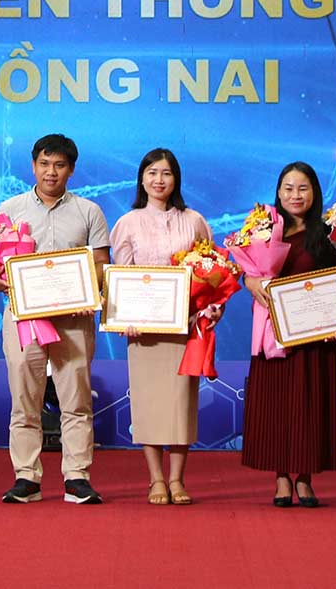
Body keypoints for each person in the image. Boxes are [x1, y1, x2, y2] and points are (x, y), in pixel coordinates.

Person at [0, 132, 111, 505]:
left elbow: (101, 264)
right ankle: (26, 477)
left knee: (76, 400)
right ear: (33, 166)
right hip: (24, 319)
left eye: (59, 165)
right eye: (44, 164)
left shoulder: (89, 211)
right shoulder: (10, 209)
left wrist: (89, 291)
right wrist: (4, 282)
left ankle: (77, 477)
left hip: (73, 319)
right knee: (24, 399)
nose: (51, 172)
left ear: (71, 169)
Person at [106, 147, 212, 505]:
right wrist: (125, 318)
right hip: (144, 333)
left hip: (184, 328)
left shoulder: (194, 220)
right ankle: (155, 479)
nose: (159, 180)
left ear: (176, 179)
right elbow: (120, 277)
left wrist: (208, 310)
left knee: (181, 404)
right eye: (152, 173)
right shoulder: (127, 223)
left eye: (166, 173)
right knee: (149, 403)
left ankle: (178, 479)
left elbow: (210, 272)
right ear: (141, 179)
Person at [240, 161, 336, 507]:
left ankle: (305, 477)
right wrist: (250, 280)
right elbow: (249, 271)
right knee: (277, 406)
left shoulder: (329, 232)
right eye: (288, 188)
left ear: (314, 192)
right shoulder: (263, 230)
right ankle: (281, 476)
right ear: (278, 192)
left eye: (302, 188)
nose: (295, 195)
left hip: (314, 335)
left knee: (309, 405)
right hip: (274, 334)